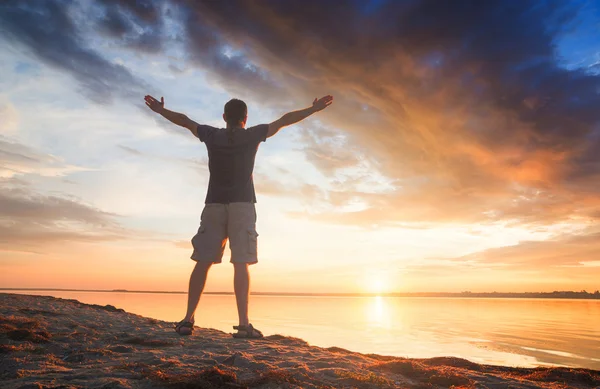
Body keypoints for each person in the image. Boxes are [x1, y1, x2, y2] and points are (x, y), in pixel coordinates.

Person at [144, 94, 334, 337]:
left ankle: (186, 321)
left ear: (224, 117)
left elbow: (184, 121)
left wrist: (161, 111)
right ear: (246, 118)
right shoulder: (253, 134)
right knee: (241, 263)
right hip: (242, 205)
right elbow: (285, 120)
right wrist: (313, 108)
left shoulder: (211, 135)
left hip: (214, 205)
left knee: (203, 262)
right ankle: (244, 325)